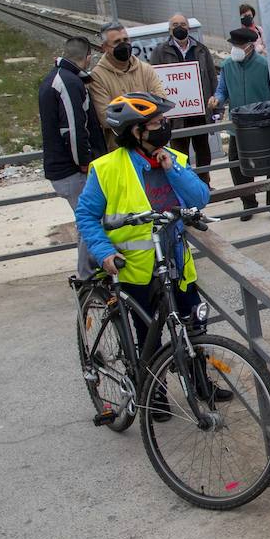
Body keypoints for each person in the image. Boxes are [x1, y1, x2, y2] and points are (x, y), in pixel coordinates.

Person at [74, 92, 222, 420]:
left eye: (162, 122)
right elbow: (86, 217)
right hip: (137, 270)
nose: (163, 128)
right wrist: (104, 252)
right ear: (135, 132)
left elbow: (201, 198)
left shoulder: (173, 159)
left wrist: (173, 170)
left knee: (194, 327)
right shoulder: (107, 170)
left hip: (177, 264)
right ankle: (154, 393)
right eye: (156, 124)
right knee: (148, 338)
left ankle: (200, 381)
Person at [39, 36, 105, 278]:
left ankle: (92, 271)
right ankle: (88, 275)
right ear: (87, 57)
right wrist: (85, 163)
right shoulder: (67, 83)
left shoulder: (58, 78)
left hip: (67, 169)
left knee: (89, 220)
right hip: (72, 171)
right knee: (90, 222)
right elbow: (74, 129)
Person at [211, 27, 270, 222]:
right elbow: (222, 90)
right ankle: (249, 203)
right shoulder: (228, 66)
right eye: (233, 45)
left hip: (264, 125)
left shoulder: (264, 65)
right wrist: (217, 99)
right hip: (238, 127)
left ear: (249, 47)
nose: (235, 48)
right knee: (236, 165)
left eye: (239, 45)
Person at [149, 13, 217, 183]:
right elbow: (154, 79)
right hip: (176, 114)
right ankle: (185, 184)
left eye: (182, 24)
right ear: (170, 29)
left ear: (188, 27)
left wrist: (216, 105)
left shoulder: (201, 49)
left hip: (199, 111)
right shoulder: (160, 51)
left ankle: (204, 183)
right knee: (179, 152)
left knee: (203, 150)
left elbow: (211, 77)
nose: (179, 27)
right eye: (175, 25)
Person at [88, 22, 166, 149]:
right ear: (105, 47)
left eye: (125, 40)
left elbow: (161, 102)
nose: (123, 45)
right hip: (120, 150)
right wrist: (146, 107)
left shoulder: (145, 69)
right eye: (117, 42)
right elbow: (106, 118)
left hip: (150, 147)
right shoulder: (97, 77)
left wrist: (124, 111)